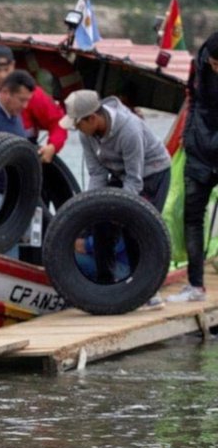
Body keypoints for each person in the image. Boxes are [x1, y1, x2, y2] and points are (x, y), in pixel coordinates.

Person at [60, 89, 172, 305]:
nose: (76, 129)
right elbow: (97, 174)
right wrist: (93, 207)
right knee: (101, 223)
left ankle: (147, 290)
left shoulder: (129, 129)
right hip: (120, 174)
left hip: (151, 172)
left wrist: (120, 212)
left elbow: (135, 180)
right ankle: (105, 285)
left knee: (136, 227)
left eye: (78, 124)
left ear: (92, 118)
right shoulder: (87, 134)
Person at [169, 32, 218, 303]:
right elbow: (192, 99)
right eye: (213, 63)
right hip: (199, 151)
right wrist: (187, 136)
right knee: (192, 218)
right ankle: (196, 285)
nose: (216, 68)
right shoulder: (200, 63)